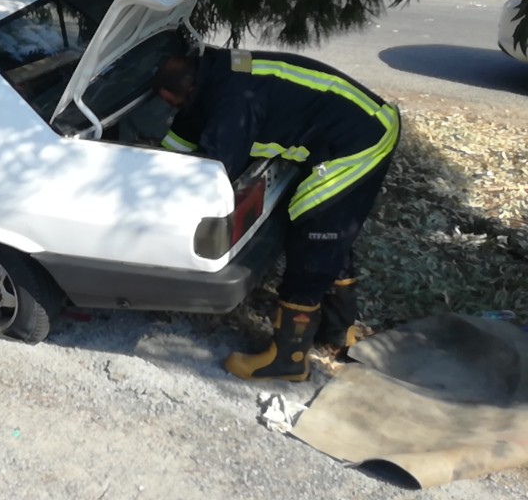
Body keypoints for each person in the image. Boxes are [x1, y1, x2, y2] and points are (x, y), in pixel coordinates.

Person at [153, 47, 400, 382]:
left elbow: (214, 173)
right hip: (360, 122)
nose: (174, 110)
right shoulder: (211, 76)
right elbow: (181, 137)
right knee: (330, 233)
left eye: (174, 103)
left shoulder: (233, 101)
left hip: (360, 140)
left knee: (315, 232)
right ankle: (339, 332)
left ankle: (289, 358)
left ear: (189, 91)